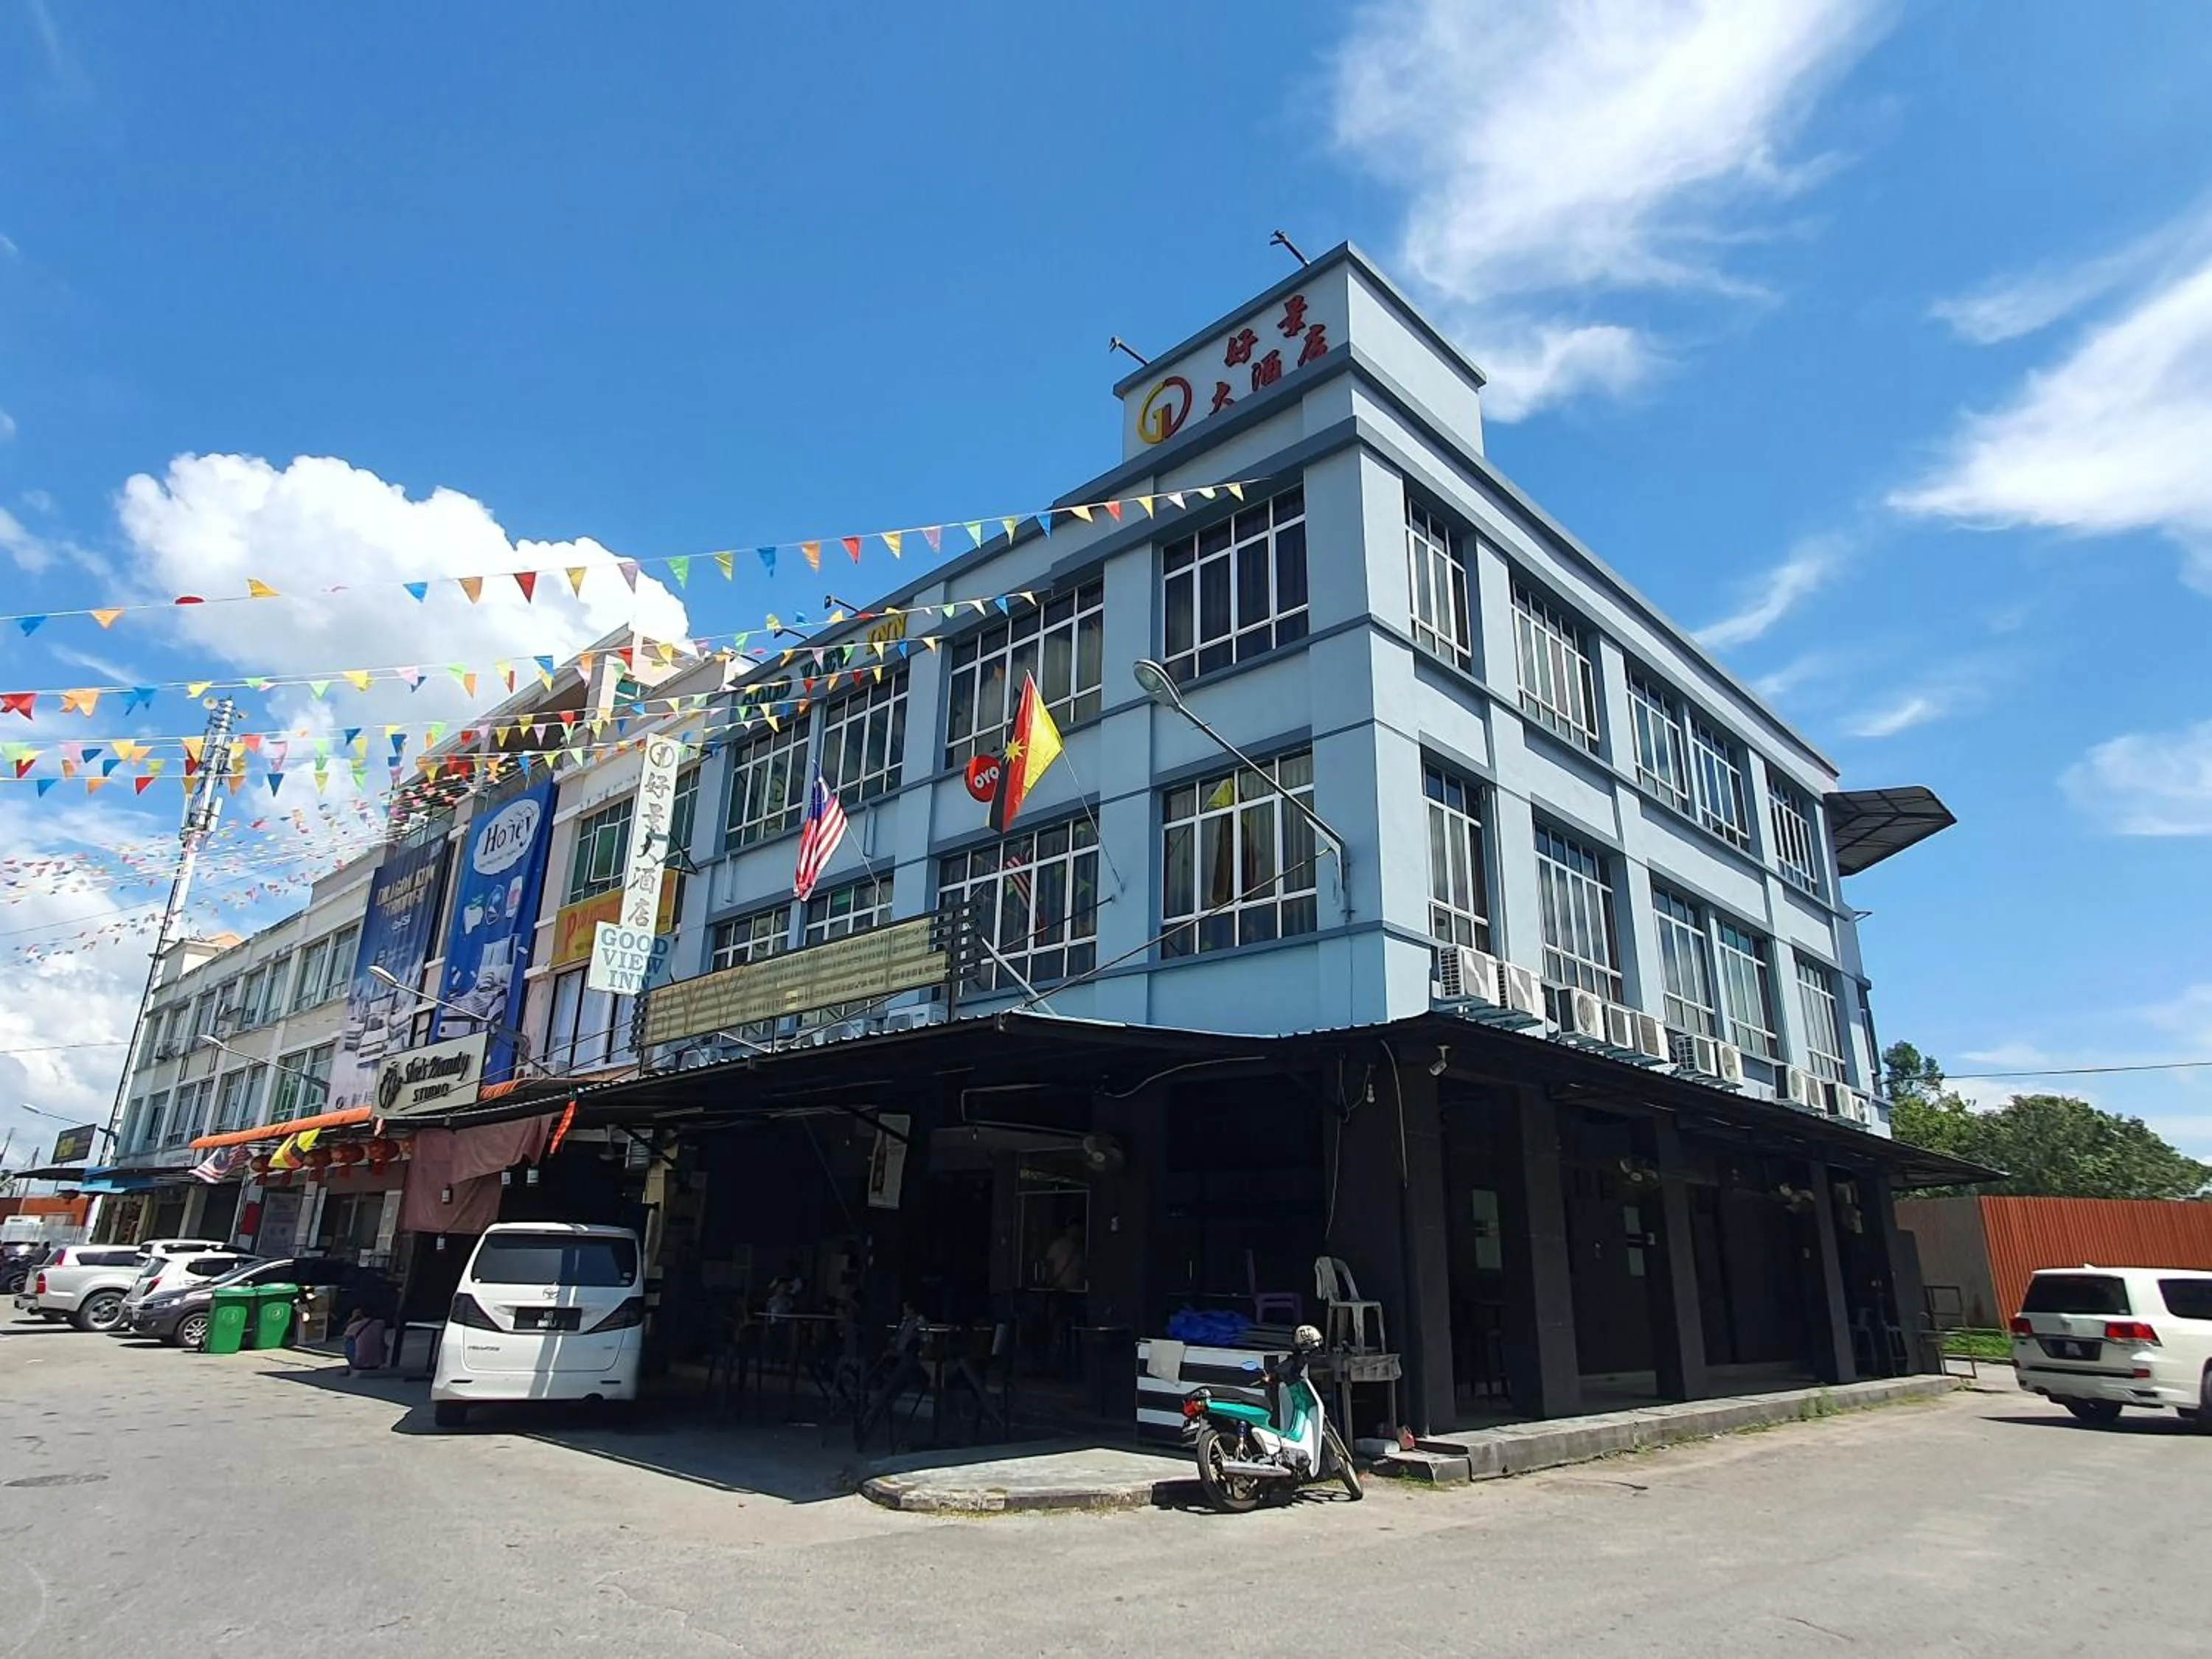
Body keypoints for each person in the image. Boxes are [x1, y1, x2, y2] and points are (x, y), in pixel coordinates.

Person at [342, 1307, 388, 1375]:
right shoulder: (381, 1323)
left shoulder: (353, 1326)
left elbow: (346, 1336)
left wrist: (351, 1321)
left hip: (359, 1364)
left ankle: (353, 1363)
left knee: (349, 1341)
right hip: (378, 1363)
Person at [1043, 1220, 1086, 1292]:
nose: (1075, 1230)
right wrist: (1051, 1286)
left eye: (1077, 1228)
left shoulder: (1082, 1249)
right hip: (1059, 1289)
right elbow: (1050, 1266)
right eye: (1073, 1227)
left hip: (1076, 1290)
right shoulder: (1058, 1245)